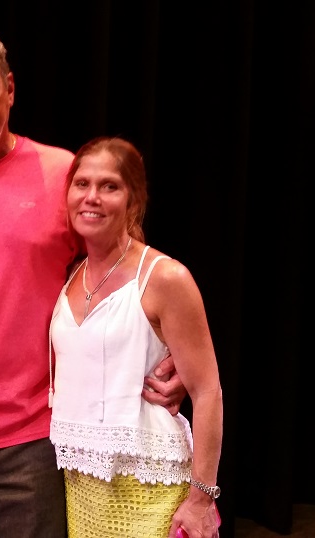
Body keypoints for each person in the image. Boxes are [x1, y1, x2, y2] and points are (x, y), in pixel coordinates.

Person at [0, 27, 187, 538]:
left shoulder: (64, 175)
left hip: (35, 438)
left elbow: (127, 265)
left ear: (11, 89)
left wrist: (170, 349)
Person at [48, 136, 223, 538]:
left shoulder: (165, 278)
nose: (92, 197)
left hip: (152, 490)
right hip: (83, 491)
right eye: (82, 184)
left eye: (109, 186)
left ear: (133, 199)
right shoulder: (70, 274)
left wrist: (201, 500)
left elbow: (208, 390)